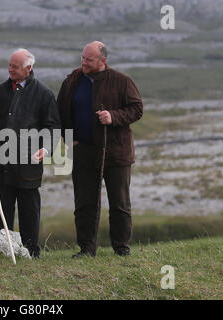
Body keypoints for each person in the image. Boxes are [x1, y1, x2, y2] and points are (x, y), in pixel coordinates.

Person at [57, 41, 143, 258]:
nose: (84, 62)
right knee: (85, 204)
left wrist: (113, 117)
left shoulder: (122, 81)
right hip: (82, 152)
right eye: (83, 58)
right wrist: (70, 140)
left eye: (89, 60)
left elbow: (137, 109)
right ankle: (86, 249)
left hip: (116, 152)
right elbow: (60, 112)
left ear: (103, 61)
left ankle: (121, 248)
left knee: (119, 203)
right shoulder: (72, 81)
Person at [0, 48, 60, 258]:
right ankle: (1, 251)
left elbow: (53, 127)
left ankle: (31, 251)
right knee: (0, 207)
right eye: (10, 65)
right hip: (1, 162)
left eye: (15, 67)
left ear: (28, 69)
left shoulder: (44, 94)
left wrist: (45, 149)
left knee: (29, 210)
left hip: (29, 163)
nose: (10, 69)